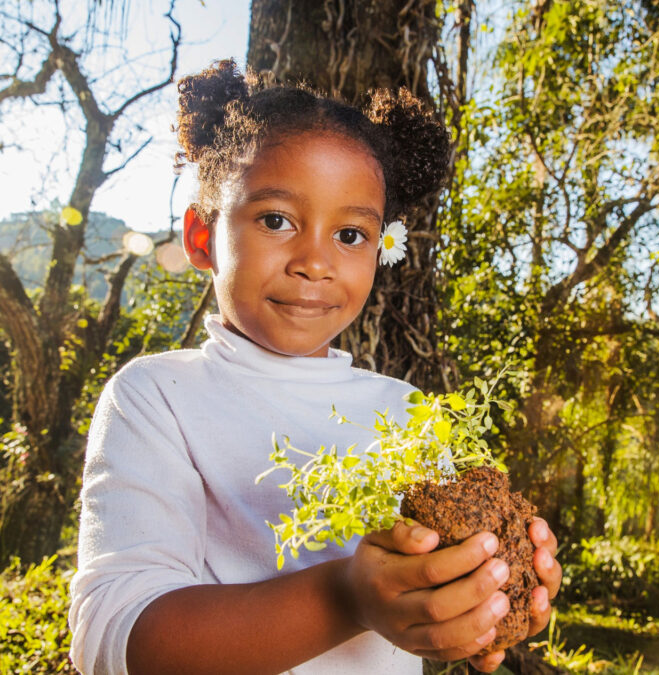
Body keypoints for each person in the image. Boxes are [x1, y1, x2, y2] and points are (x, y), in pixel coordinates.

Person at [68, 59, 562, 675]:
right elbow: (114, 640)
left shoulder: (407, 411)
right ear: (201, 237)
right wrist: (346, 598)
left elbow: (426, 596)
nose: (315, 262)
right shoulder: (157, 396)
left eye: (350, 235)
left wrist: (483, 598)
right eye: (276, 221)